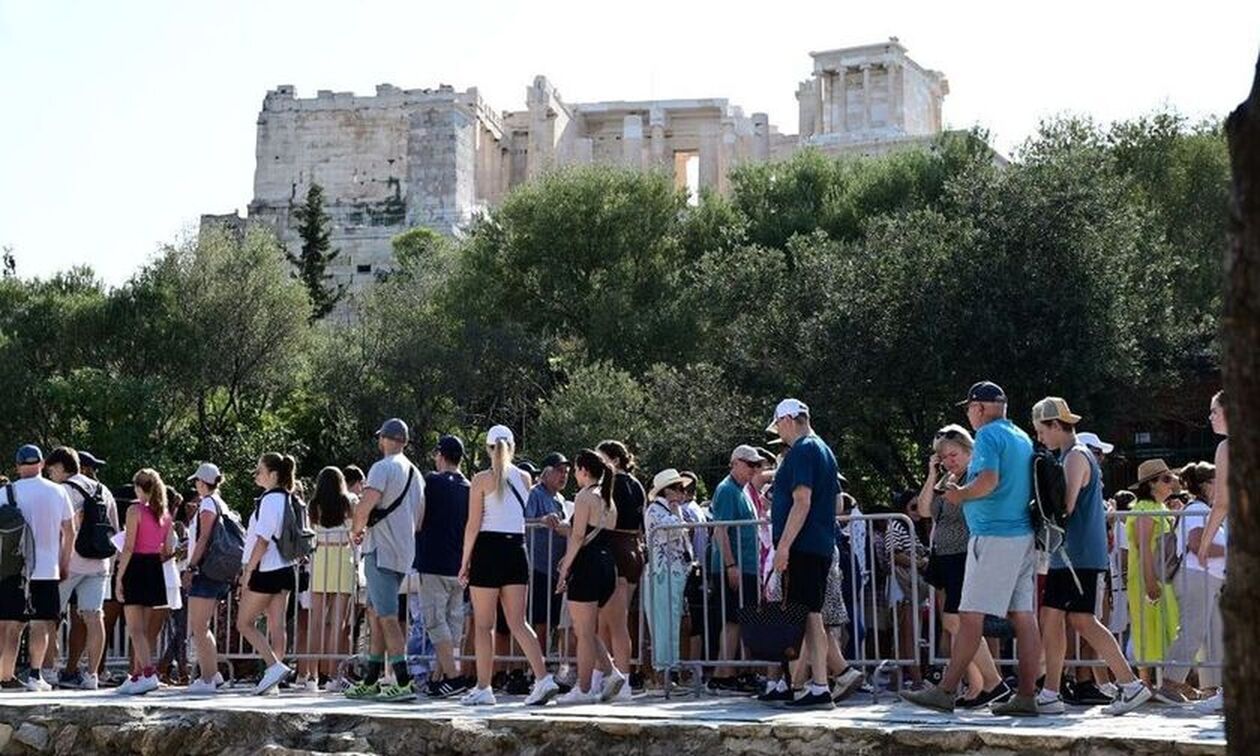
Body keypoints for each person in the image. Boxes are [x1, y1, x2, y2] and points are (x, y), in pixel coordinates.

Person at [902, 381, 1042, 716]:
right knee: (1023, 616)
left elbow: (989, 481)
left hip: (994, 536)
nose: (968, 414)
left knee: (968, 617)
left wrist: (959, 494)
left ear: (978, 407)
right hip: (1021, 534)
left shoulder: (990, 436)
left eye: (968, 407)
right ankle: (1025, 695)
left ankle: (946, 691)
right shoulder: (1020, 436)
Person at [1030, 398, 1152, 716]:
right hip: (1073, 554)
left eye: (1042, 431)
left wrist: (1038, 503)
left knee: (1075, 619)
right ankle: (1053, 691)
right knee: (1059, 617)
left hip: (1077, 554)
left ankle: (1127, 684)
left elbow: (1064, 508)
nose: (1040, 438)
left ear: (1056, 425)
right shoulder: (1073, 455)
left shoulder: (1074, 457)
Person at [767, 399, 859, 709]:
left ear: (789, 419)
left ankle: (817, 686)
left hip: (803, 547)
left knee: (806, 617)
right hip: (817, 545)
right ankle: (817, 685)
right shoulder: (823, 450)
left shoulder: (804, 449)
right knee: (812, 617)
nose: (779, 432)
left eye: (778, 425)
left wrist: (783, 547)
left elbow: (802, 500)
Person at [458, 425, 558, 706]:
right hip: (517, 549)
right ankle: (542, 678)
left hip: (488, 550)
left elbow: (473, 525)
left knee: (484, 626)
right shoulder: (525, 478)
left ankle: (483, 687)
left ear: (488, 449)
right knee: (518, 622)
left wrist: (464, 561)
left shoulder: (480, 480)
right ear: (512, 447)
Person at [915, 426, 1007, 708]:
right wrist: (933, 474)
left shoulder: (976, 477)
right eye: (943, 456)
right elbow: (924, 510)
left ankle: (992, 683)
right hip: (944, 556)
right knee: (955, 623)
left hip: (965, 555)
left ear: (969, 451)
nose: (948, 460)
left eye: (953, 454)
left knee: (958, 622)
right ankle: (981, 686)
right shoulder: (947, 478)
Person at [347, 418, 426, 702]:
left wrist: (356, 531)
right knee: (377, 614)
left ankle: (402, 681)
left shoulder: (382, 468)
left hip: (380, 549)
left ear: (384, 439)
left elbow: (365, 505)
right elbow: (419, 519)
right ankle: (371, 678)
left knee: (388, 618)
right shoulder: (416, 473)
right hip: (404, 552)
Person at [0, 445, 75, 692]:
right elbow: (69, 531)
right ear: (42, 464)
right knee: (42, 624)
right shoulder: (58, 492)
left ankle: (5, 674)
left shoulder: (5, 493)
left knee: (12, 624)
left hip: (14, 569)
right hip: (47, 567)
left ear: (18, 466)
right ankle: (35, 675)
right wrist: (64, 563)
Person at [553, 451, 626, 704]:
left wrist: (564, 570)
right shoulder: (609, 501)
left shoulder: (584, 497)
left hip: (588, 565)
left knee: (583, 632)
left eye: (575, 469)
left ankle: (583, 690)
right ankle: (611, 670)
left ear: (584, 470)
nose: (573, 474)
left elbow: (577, 536)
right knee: (584, 628)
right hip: (608, 565)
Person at [43, 446, 118, 691]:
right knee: (94, 617)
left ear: (61, 468)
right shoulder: (103, 490)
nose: (50, 475)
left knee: (50, 617)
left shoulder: (62, 491)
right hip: (100, 564)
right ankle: (92, 675)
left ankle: (49, 671)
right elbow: (114, 531)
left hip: (70, 563)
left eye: (51, 470)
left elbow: (58, 530)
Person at [1159, 461, 1224, 700]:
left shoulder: (1201, 510)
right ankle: (1170, 682)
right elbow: (1197, 544)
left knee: (1210, 634)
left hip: (1205, 579)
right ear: (1207, 485)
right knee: (1193, 632)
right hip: (1197, 577)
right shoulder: (1197, 510)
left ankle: (1211, 688)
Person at [238, 452, 301, 695]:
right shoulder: (286, 498)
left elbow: (262, 540)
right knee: (277, 624)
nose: (256, 474)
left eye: (259, 470)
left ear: (273, 475)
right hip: (284, 568)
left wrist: (248, 571)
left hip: (266, 569)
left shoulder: (269, 500)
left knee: (244, 623)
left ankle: (273, 666)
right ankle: (274, 677)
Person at [417, 434, 471, 698]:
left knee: (435, 622)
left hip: (433, 560)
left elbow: (420, 517)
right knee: (452, 624)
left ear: (440, 455)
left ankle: (453, 676)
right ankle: (440, 678)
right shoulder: (469, 487)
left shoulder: (431, 482)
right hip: (459, 563)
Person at [707, 446, 765, 689]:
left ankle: (740, 671)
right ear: (735, 463)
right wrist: (731, 565)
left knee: (743, 620)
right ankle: (723, 675)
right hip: (734, 566)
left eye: (756, 465)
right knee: (733, 620)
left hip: (747, 566)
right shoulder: (727, 490)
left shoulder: (744, 490)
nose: (754, 469)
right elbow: (721, 531)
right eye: (749, 464)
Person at [114, 469, 172, 695]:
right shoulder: (165, 514)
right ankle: (137, 674)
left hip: (136, 566)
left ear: (139, 487)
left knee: (135, 628)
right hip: (154, 567)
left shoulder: (134, 510)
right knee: (145, 628)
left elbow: (128, 546)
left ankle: (148, 672)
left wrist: (119, 576)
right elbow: (167, 549)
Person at [1124, 459, 1181, 683]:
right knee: (1147, 627)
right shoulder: (1144, 510)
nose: (1171, 483)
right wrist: (1149, 582)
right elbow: (1144, 547)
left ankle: (1161, 684)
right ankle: (1146, 683)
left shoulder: (1160, 508)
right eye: (1165, 479)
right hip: (1147, 577)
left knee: (1163, 627)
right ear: (1151, 484)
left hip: (1160, 577)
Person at [595, 439, 642, 694]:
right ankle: (612, 677)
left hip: (614, 550)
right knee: (617, 621)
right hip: (633, 551)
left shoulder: (610, 484)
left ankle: (614, 678)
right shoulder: (637, 485)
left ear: (612, 460)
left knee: (609, 622)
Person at [303, 466, 356, 692]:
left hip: (321, 557)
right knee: (338, 623)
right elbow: (354, 531)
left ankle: (311, 675)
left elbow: (310, 532)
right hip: (343, 556)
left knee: (316, 622)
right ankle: (334, 675)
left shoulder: (314, 506)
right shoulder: (349, 502)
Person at [183, 463, 233, 695]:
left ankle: (207, 678)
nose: (195, 486)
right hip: (218, 570)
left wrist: (191, 567)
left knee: (199, 626)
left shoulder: (207, 504)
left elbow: (203, 538)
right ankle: (214, 674)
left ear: (203, 483)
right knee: (203, 626)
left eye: (197, 482)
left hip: (206, 570)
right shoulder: (221, 503)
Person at [643, 468, 691, 680]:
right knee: (663, 621)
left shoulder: (667, 511)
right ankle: (664, 670)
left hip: (672, 572)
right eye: (679, 489)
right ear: (668, 491)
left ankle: (670, 668)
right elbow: (673, 531)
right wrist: (678, 515)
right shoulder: (655, 511)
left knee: (672, 620)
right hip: (661, 573)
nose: (683, 494)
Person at [526, 452, 570, 651]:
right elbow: (522, 522)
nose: (564, 476)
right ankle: (537, 669)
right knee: (540, 621)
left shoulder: (561, 499)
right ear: (545, 473)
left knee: (554, 622)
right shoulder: (535, 493)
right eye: (559, 471)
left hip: (557, 570)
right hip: (538, 567)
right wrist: (541, 521)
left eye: (567, 472)